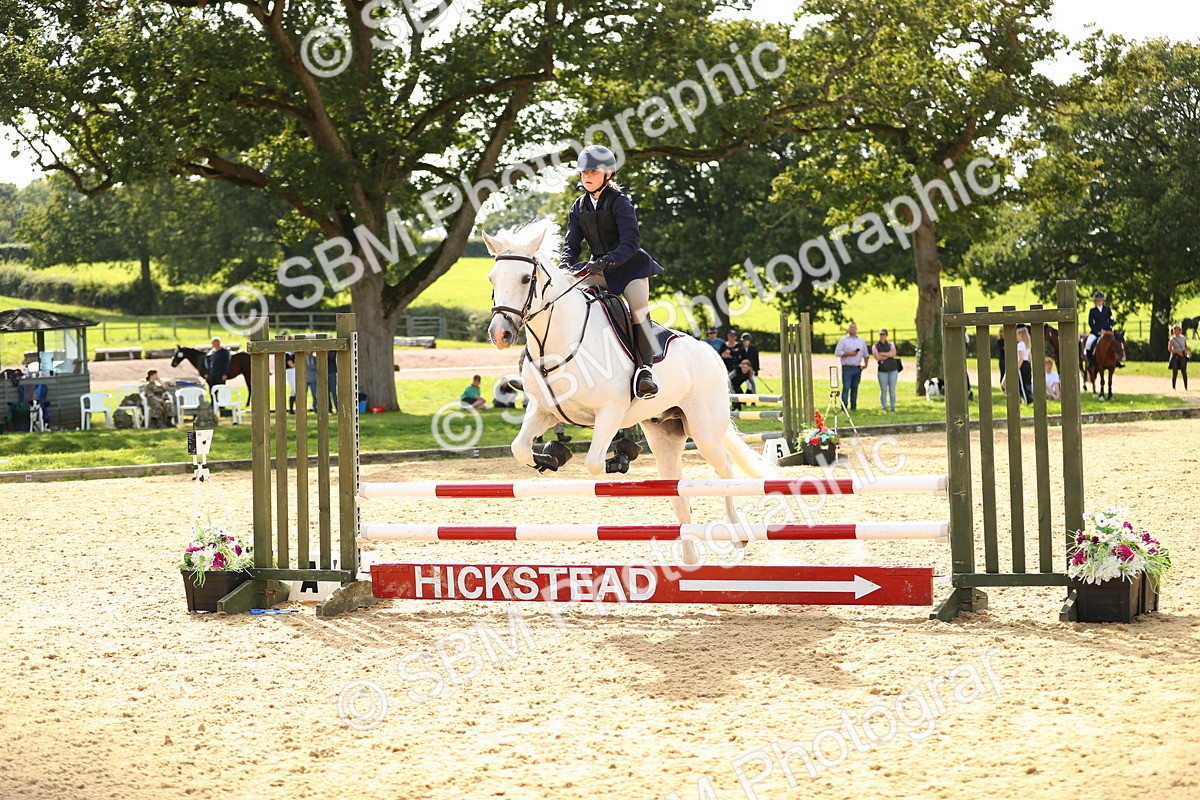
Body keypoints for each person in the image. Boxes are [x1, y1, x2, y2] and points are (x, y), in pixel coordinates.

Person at [560, 144, 664, 399]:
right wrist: (565, 264)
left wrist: (605, 261)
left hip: (630, 269)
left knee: (638, 309)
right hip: (599, 268)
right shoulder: (579, 206)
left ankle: (646, 372)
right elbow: (572, 244)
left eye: (593, 172)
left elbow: (630, 243)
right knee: (562, 294)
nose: (586, 176)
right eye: (584, 172)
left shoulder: (620, 202)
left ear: (607, 174)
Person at [834, 322, 869, 411]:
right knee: (846, 387)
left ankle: (854, 407)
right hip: (847, 367)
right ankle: (844, 408)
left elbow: (865, 353)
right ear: (848, 329)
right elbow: (837, 352)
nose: (853, 329)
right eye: (851, 327)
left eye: (854, 328)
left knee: (855, 388)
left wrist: (865, 364)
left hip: (857, 367)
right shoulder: (843, 340)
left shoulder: (861, 341)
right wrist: (849, 353)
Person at [1084, 291, 1116, 366]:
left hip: (1107, 332)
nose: (1099, 301)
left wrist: (1106, 330)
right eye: (1097, 300)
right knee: (1088, 343)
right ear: (1095, 301)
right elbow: (1091, 323)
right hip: (1096, 332)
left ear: (1103, 301)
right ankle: (1090, 362)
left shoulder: (1107, 309)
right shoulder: (1092, 311)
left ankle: (1116, 361)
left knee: (1116, 343)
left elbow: (1111, 320)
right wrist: (1097, 332)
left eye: (1100, 300)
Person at [872, 328, 899, 412]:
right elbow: (877, 357)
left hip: (892, 369)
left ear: (886, 335)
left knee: (892, 389)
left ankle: (892, 406)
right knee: (883, 389)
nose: (882, 336)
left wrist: (883, 354)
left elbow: (893, 353)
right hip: (882, 371)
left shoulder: (891, 344)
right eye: (881, 334)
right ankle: (884, 406)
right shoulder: (875, 346)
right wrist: (888, 355)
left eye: (883, 334)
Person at [1169, 324, 1192, 390]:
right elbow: (1170, 349)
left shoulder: (1183, 338)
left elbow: (1185, 347)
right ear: (1175, 331)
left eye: (1180, 329)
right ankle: (1173, 387)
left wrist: (1188, 353)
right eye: (1179, 329)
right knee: (1175, 371)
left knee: (1184, 371)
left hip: (1182, 355)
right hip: (1174, 356)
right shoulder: (1172, 339)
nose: (1180, 330)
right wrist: (1177, 352)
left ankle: (1186, 387)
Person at [1015, 326, 1034, 404]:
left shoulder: (1020, 345)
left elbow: (1021, 358)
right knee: (1027, 383)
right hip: (1028, 365)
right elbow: (1030, 358)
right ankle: (1030, 398)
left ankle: (1026, 400)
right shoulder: (1027, 345)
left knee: (1022, 383)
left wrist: (1017, 367)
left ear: (1020, 335)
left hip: (1022, 365)